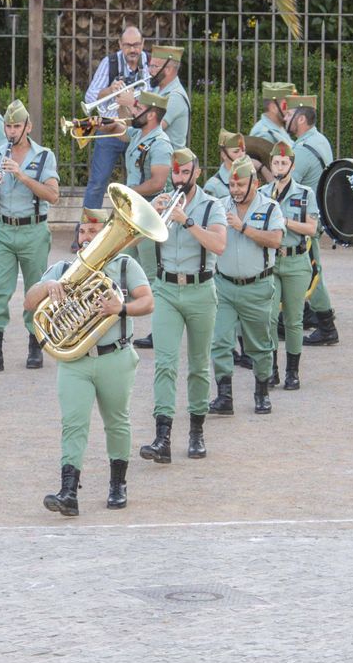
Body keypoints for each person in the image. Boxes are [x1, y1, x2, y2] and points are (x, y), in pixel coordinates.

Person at [27, 207, 154, 516]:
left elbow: (148, 301)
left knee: (117, 423)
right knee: (73, 424)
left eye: (93, 232)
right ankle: (68, 492)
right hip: (75, 361)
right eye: (82, 232)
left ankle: (118, 485)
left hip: (115, 358)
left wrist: (120, 309)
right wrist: (47, 287)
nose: (86, 237)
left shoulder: (124, 265)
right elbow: (29, 302)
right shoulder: (62, 269)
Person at [141, 148, 227, 463]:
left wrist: (186, 220)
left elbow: (219, 244)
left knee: (199, 364)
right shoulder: (162, 202)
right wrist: (150, 214)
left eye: (184, 173)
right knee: (164, 363)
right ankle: (162, 437)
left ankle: (196, 431)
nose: (178, 179)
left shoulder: (211, 206)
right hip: (166, 289)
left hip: (201, 290)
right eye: (175, 173)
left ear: (196, 172)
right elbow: (137, 242)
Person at [0, 100, 59, 371]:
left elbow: (53, 195)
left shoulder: (44, 155)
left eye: (16, 126)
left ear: (28, 126)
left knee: (36, 288)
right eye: (8, 126)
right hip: (1, 229)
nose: (12, 132)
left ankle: (36, 345)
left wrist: (22, 177)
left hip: (33, 230)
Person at [208, 158, 285, 415]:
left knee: (259, 344)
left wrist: (244, 228)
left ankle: (262, 391)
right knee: (219, 341)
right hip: (224, 286)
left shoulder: (270, 208)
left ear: (256, 183)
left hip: (257, 287)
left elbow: (275, 240)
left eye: (240, 185)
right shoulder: (219, 206)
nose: (235, 190)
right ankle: (224, 396)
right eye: (232, 184)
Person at [118, 88, 174, 347]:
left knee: (153, 276)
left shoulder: (160, 143)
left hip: (150, 215)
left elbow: (157, 182)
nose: (134, 111)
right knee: (125, 270)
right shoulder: (140, 133)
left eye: (139, 108)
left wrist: (127, 192)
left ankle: (160, 331)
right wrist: (122, 102)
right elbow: (118, 128)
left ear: (152, 114)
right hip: (134, 214)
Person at [264, 141, 319, 389]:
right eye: (276, 162)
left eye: (284, 163)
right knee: (270, 317)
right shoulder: (263, 193)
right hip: (272, 261)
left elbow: (312, 229)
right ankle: (272, 369)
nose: (279, 167)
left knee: (294, 319)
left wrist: (285, 221)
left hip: (297, 260)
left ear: (292, 165)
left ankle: (292, 372)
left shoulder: (305, 193)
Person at [287, 95, 339, 346]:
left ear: (301, 119)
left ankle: (327, 326)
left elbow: (283, 181)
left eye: (289, 115)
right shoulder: (320, 139)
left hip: (304, 219)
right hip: (316, 215)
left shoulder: (301, 150)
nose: (285, 118)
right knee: (311, 269)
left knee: (311, 272)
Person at [81, 27, 147, 209]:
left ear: (143, 44)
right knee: (97, 183)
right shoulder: (109, 62)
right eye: (127, 45)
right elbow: (90, 97)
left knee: (138, 185)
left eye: (136, 45)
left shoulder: (151, 63)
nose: (132, 50)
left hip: (139, 132)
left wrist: (132, 100)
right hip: (111, 131)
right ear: (120, 44)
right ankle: (85, 231)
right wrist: (110, 90)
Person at [148, 45, 190, 151]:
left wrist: (131, 103)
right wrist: (122, 104)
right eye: (150, 66)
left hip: (170, 162)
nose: (150, 71)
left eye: (154, 66)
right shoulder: (158, 90)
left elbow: (152, 129)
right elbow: (135, 122)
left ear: (168, 69)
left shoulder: (175, 97)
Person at [250, 82, 297, 150]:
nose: (291, 110)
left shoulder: (277, 127)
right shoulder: (264, 135)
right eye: (287, 105)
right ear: (273, 108)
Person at [204, 130, 248, 200]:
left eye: (243, 150)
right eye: (236, 151)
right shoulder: (212, 186)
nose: (242, 155)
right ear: (224, 155)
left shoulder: (249, 177)